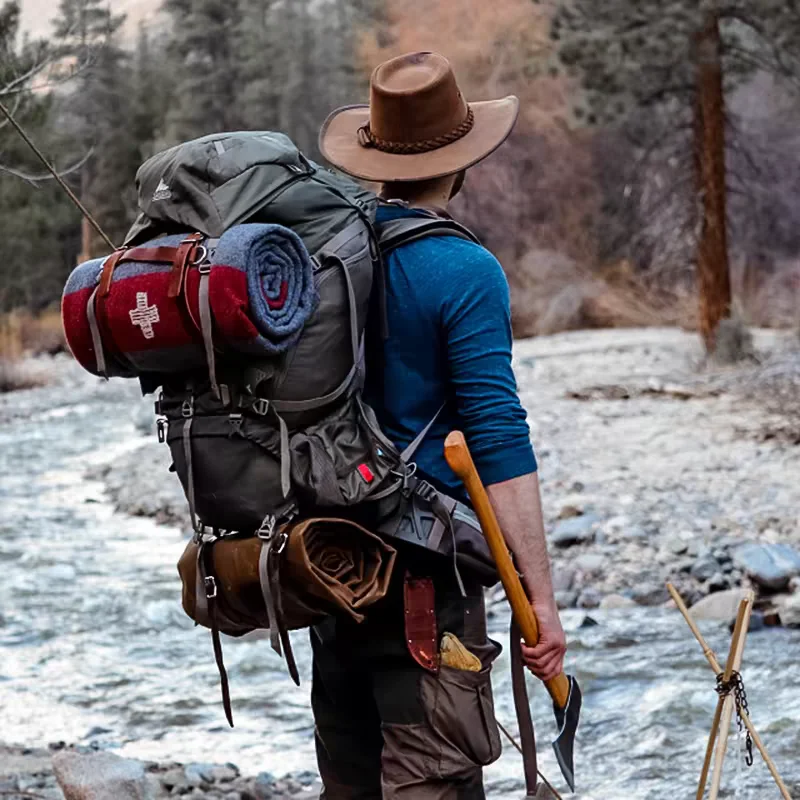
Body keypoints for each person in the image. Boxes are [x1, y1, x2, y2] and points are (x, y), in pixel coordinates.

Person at [313, 51, 566, 799]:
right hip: (430, 580)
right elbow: (496, 435)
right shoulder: (465, 271)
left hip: (330, 569)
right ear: (461, 163)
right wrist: (541, 599)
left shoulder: (325, 256)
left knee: (349, 785)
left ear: (376, 158)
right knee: (437, 783)